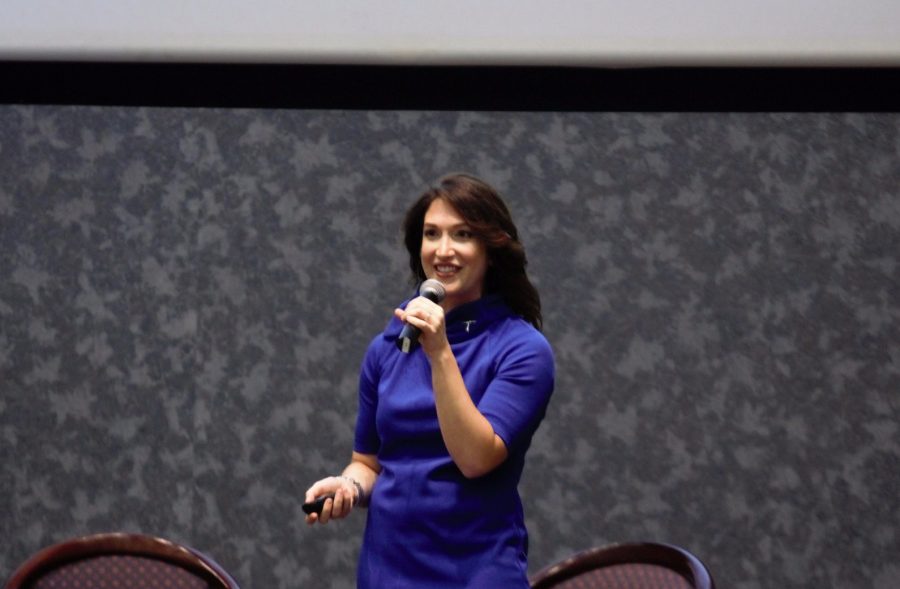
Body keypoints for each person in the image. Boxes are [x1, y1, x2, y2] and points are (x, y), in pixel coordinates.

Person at [304, 173, 555, 588]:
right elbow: (369, 462)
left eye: (462, 234)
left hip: (475, 572)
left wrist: (439, 351)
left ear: (491, 250)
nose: (443, 250)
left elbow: (476, 459)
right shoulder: (388, 345)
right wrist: (349, 485)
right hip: (387, 572)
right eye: (431, 234)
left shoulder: (522, 349)